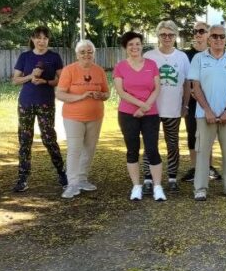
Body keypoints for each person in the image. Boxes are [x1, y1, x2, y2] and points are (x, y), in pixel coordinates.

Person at [188, 25, 226, 201]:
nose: (218, 39)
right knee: (203, 152)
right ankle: (200, 189)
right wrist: (208, 110)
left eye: (222, 36)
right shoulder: (198, 58)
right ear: (209, 39)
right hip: (204, 115)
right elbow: (195, 86)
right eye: (215, 36)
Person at [11, 26, 66, 193]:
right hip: (26, 103)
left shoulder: (54, 57)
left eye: (45, 38)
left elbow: (62, 80)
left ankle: (62, 173)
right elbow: (15, 80)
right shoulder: (25, 56)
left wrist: (46, 82)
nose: (41, 41)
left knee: (49, 138)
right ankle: (22, 177)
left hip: (45, 102)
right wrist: (31, 76)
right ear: (33, 39)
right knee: (25, 139)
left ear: (48, 40)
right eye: (38, 38)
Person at [55, 40, 110, 199]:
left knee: (89, 148)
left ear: (94, 53)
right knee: (74, 149)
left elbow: (107, 93)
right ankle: (72, 183)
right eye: (83, 52)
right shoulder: (69, 70)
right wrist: (81, 96)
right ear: (77, 54)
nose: (87, 54)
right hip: (74, 117)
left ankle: (82, 179)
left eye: (90, 51)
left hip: (95, 116)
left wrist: (101, 95)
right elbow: (60, 94)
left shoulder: (99, 71)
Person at [113, 31, 163, 201]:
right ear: (125, 48)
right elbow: (121, 91)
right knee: (132, 150)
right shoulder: (120, 66)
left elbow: (157, 88)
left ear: (142, 45)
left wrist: (145, 107)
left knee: (152, 149)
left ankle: (157, 187)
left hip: (151, 114)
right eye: (130, 45)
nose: (134, 47)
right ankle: (136, 186)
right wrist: (142, 105)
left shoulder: (152, 64)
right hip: (128, 114)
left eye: (137, 43)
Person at [143, 20, 190, 194]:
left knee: (172, 144)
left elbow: (187, 83)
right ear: (158, 36)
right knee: (150, 144)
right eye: (163, 34)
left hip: (173, 109)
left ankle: (172, 178)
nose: (167, 37)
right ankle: (148, 178)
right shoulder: (149, 56)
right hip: (152, 109)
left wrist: (185, 105)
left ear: (175, 36)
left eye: (170, 34)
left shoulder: (182, 57)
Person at [182, 21, 221, 183]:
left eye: (202, 31)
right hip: (191, 102)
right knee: (193, 134)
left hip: (210, 102)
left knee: (208, 135)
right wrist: (190, 94)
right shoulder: (185, 55)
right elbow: (185, 79)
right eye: (195, 31)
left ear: (208, 35)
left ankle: (209, 167)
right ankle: (195, 167)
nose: (198, 34)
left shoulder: (215, 54)